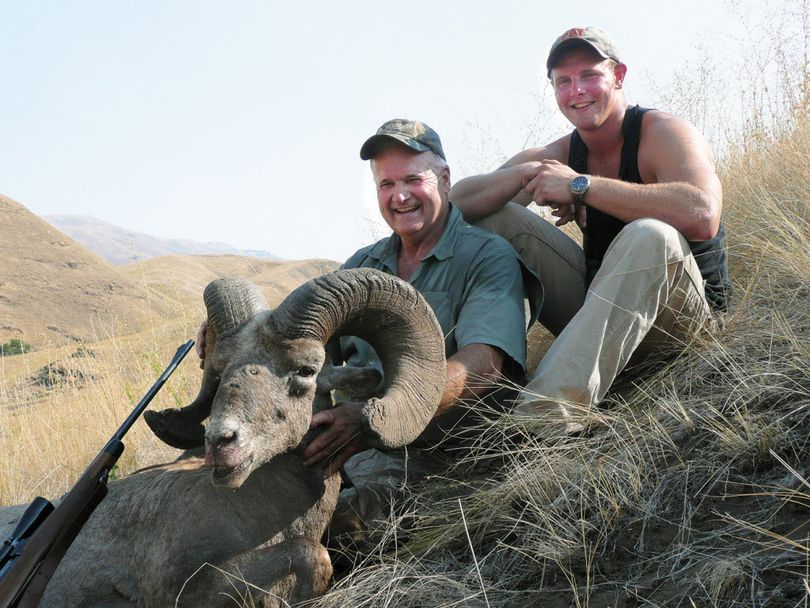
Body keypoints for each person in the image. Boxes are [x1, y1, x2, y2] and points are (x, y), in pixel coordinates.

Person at [199, 119, 528, 545]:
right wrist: (234, 338)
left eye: (413, 179)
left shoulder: (486, 257)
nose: (400, 195)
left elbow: (484, 365)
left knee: (332, 531)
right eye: (386, 184)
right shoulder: (361, 266)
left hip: (443, 454)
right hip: (347, 445)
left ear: (445, 180)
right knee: (234, 505)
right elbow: (297, 345)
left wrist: (375, 418)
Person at [449, 27, 731, 434]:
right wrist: (533, 173)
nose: (577, 90)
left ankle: (541, 419)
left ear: (618, 76)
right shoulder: (562, 152)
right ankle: (487, 370)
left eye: (589, 75)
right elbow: (459, 205)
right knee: (499, 217)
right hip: (609, 327)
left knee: (651, 234)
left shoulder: (661, 133)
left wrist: (583, 187)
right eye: (564, 81)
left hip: (684, 327)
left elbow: (703, 213)